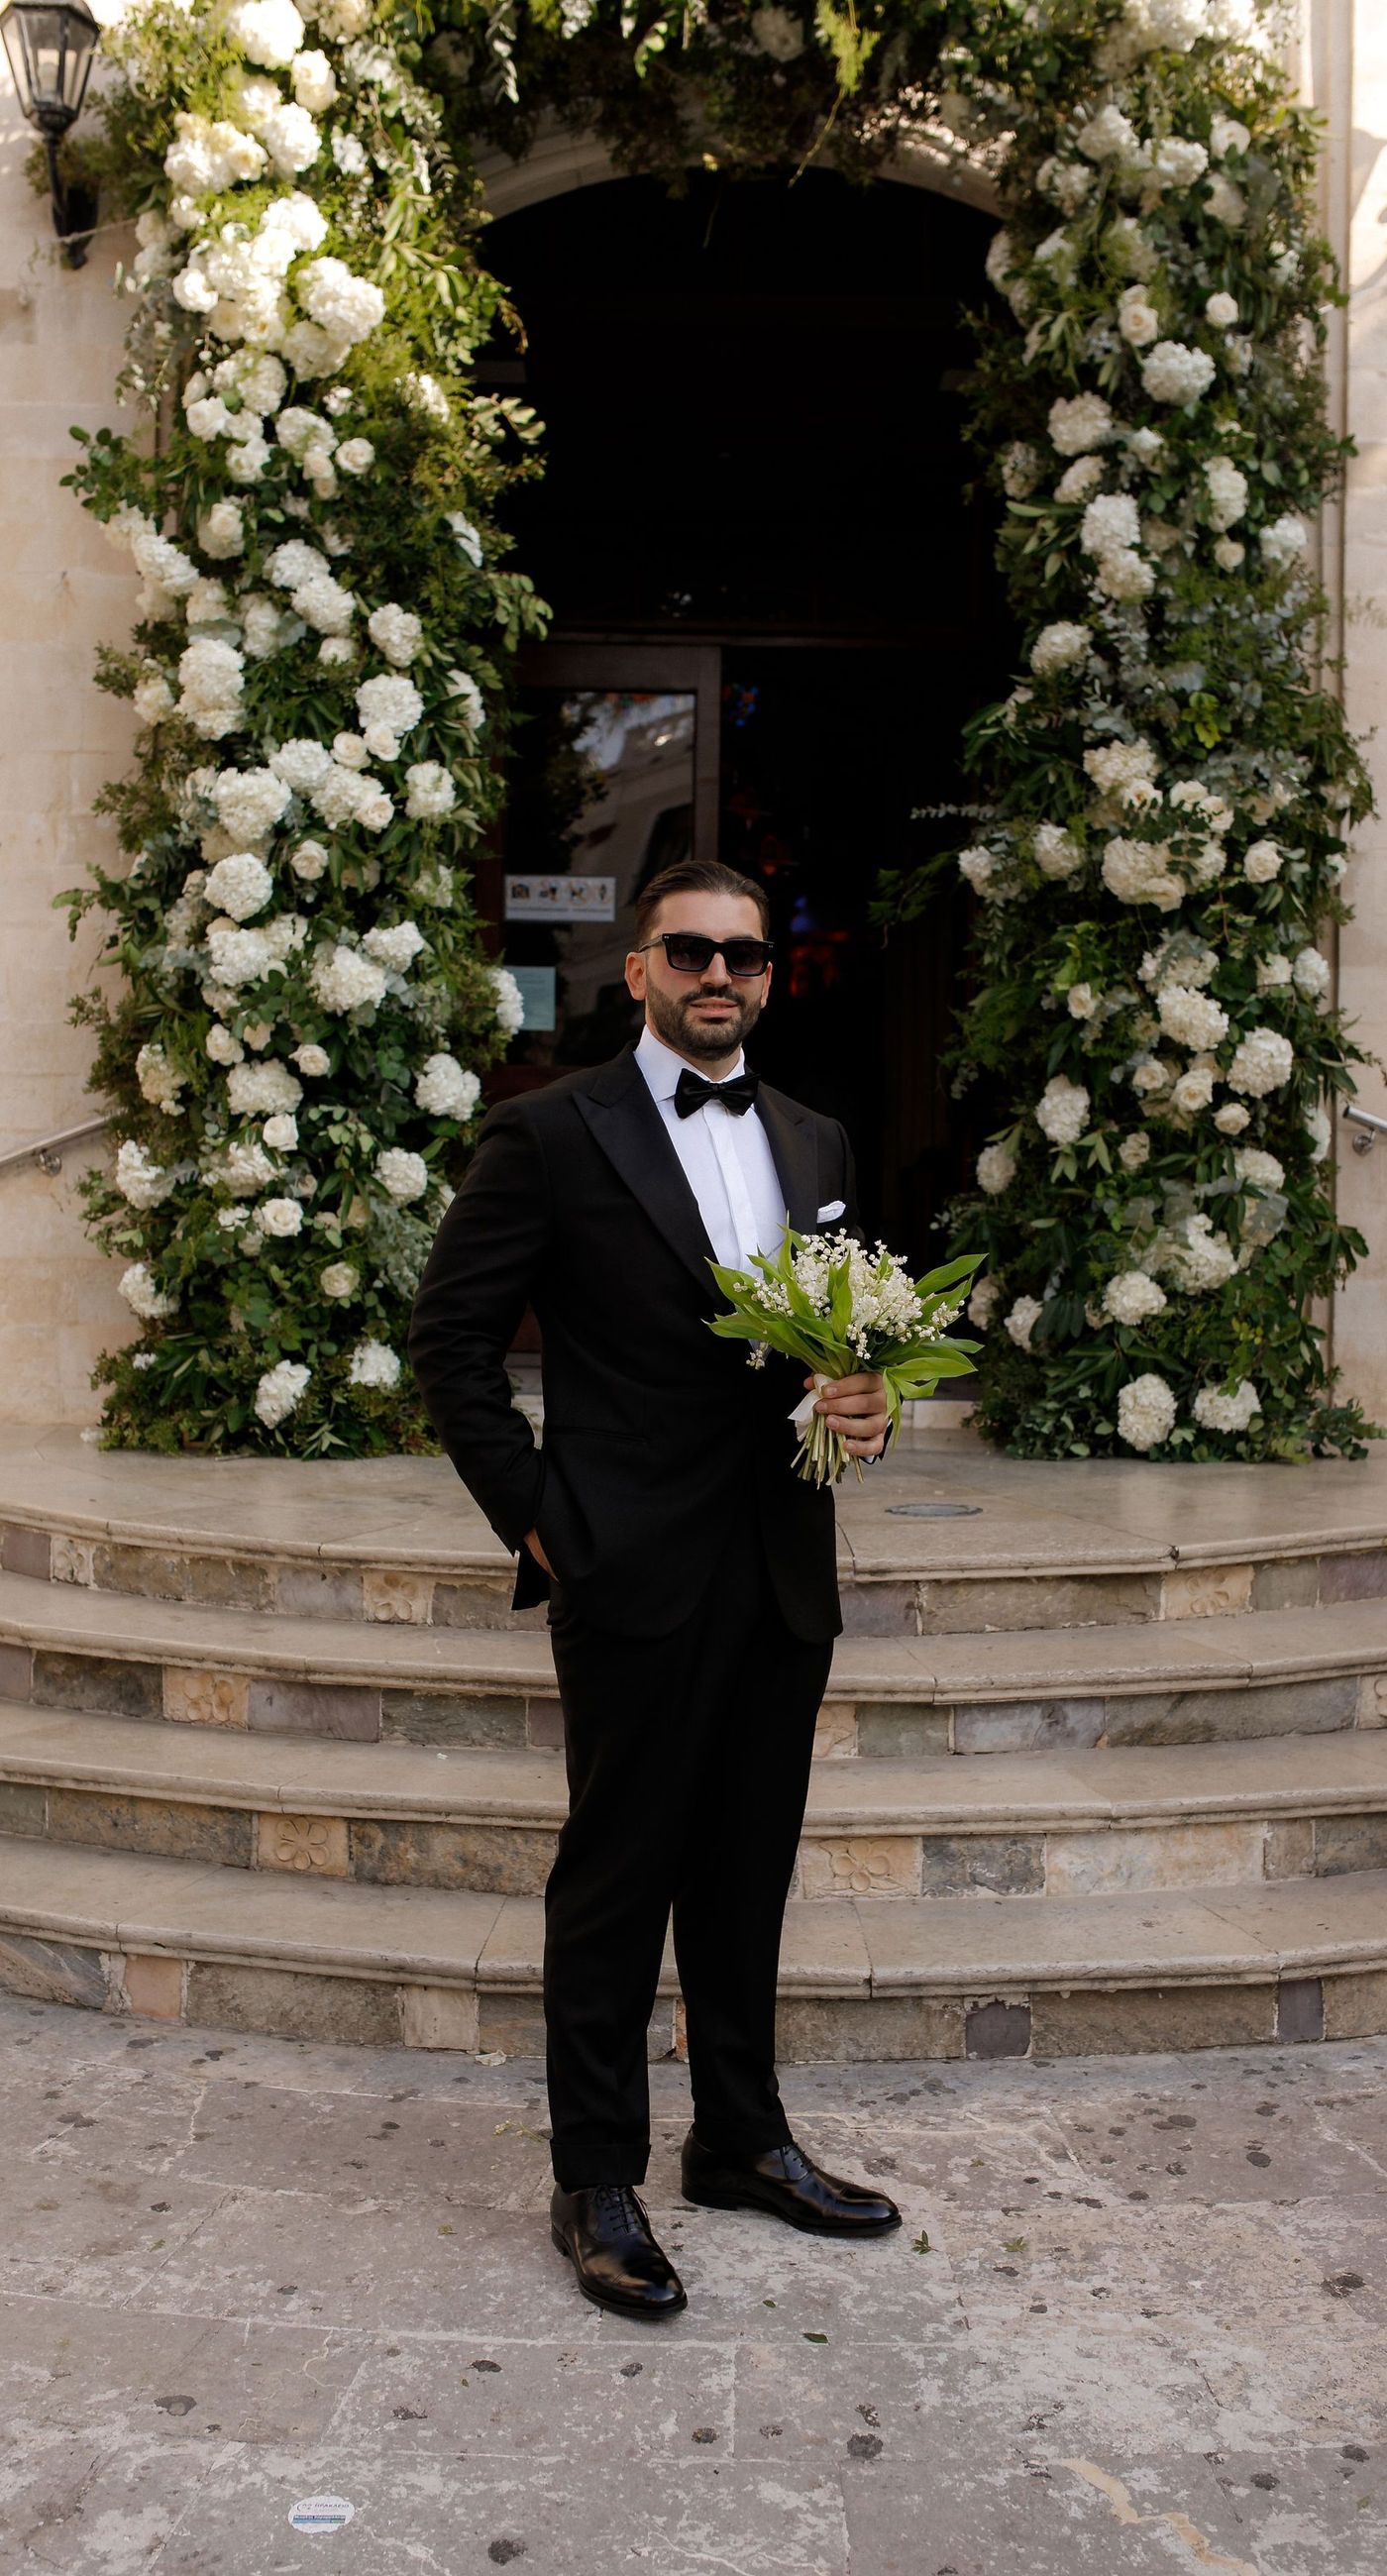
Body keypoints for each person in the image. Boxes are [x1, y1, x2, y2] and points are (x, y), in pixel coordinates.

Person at [408, 857, 901, 2320]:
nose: (716, 975)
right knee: (617, 1877)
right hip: (626, 1564)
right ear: (637, 969)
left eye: (744, 956)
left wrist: (861, 1405)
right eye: (687, 950)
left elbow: (833, 1347)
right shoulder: (550, 1133)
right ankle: (596, 2179)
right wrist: (549, 1526)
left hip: (781, 1562)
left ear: (769, 977)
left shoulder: (816, 1139)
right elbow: (452, 1348)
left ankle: (741, 2141)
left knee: (748, 1872)